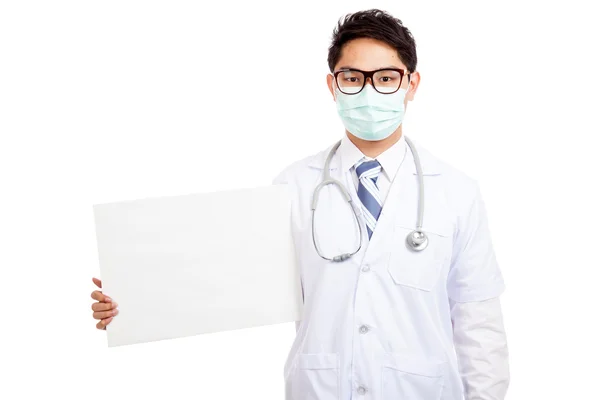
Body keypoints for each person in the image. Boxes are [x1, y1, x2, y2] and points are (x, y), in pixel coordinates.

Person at [91, 9, 509, 400]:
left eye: (385, 78)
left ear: (411, 84)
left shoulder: (456, 192)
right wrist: (134, 300)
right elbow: (227, 282)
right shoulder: (293, 185)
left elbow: (479, 323)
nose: (368, 90)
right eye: (352, 77)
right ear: (332, 85)